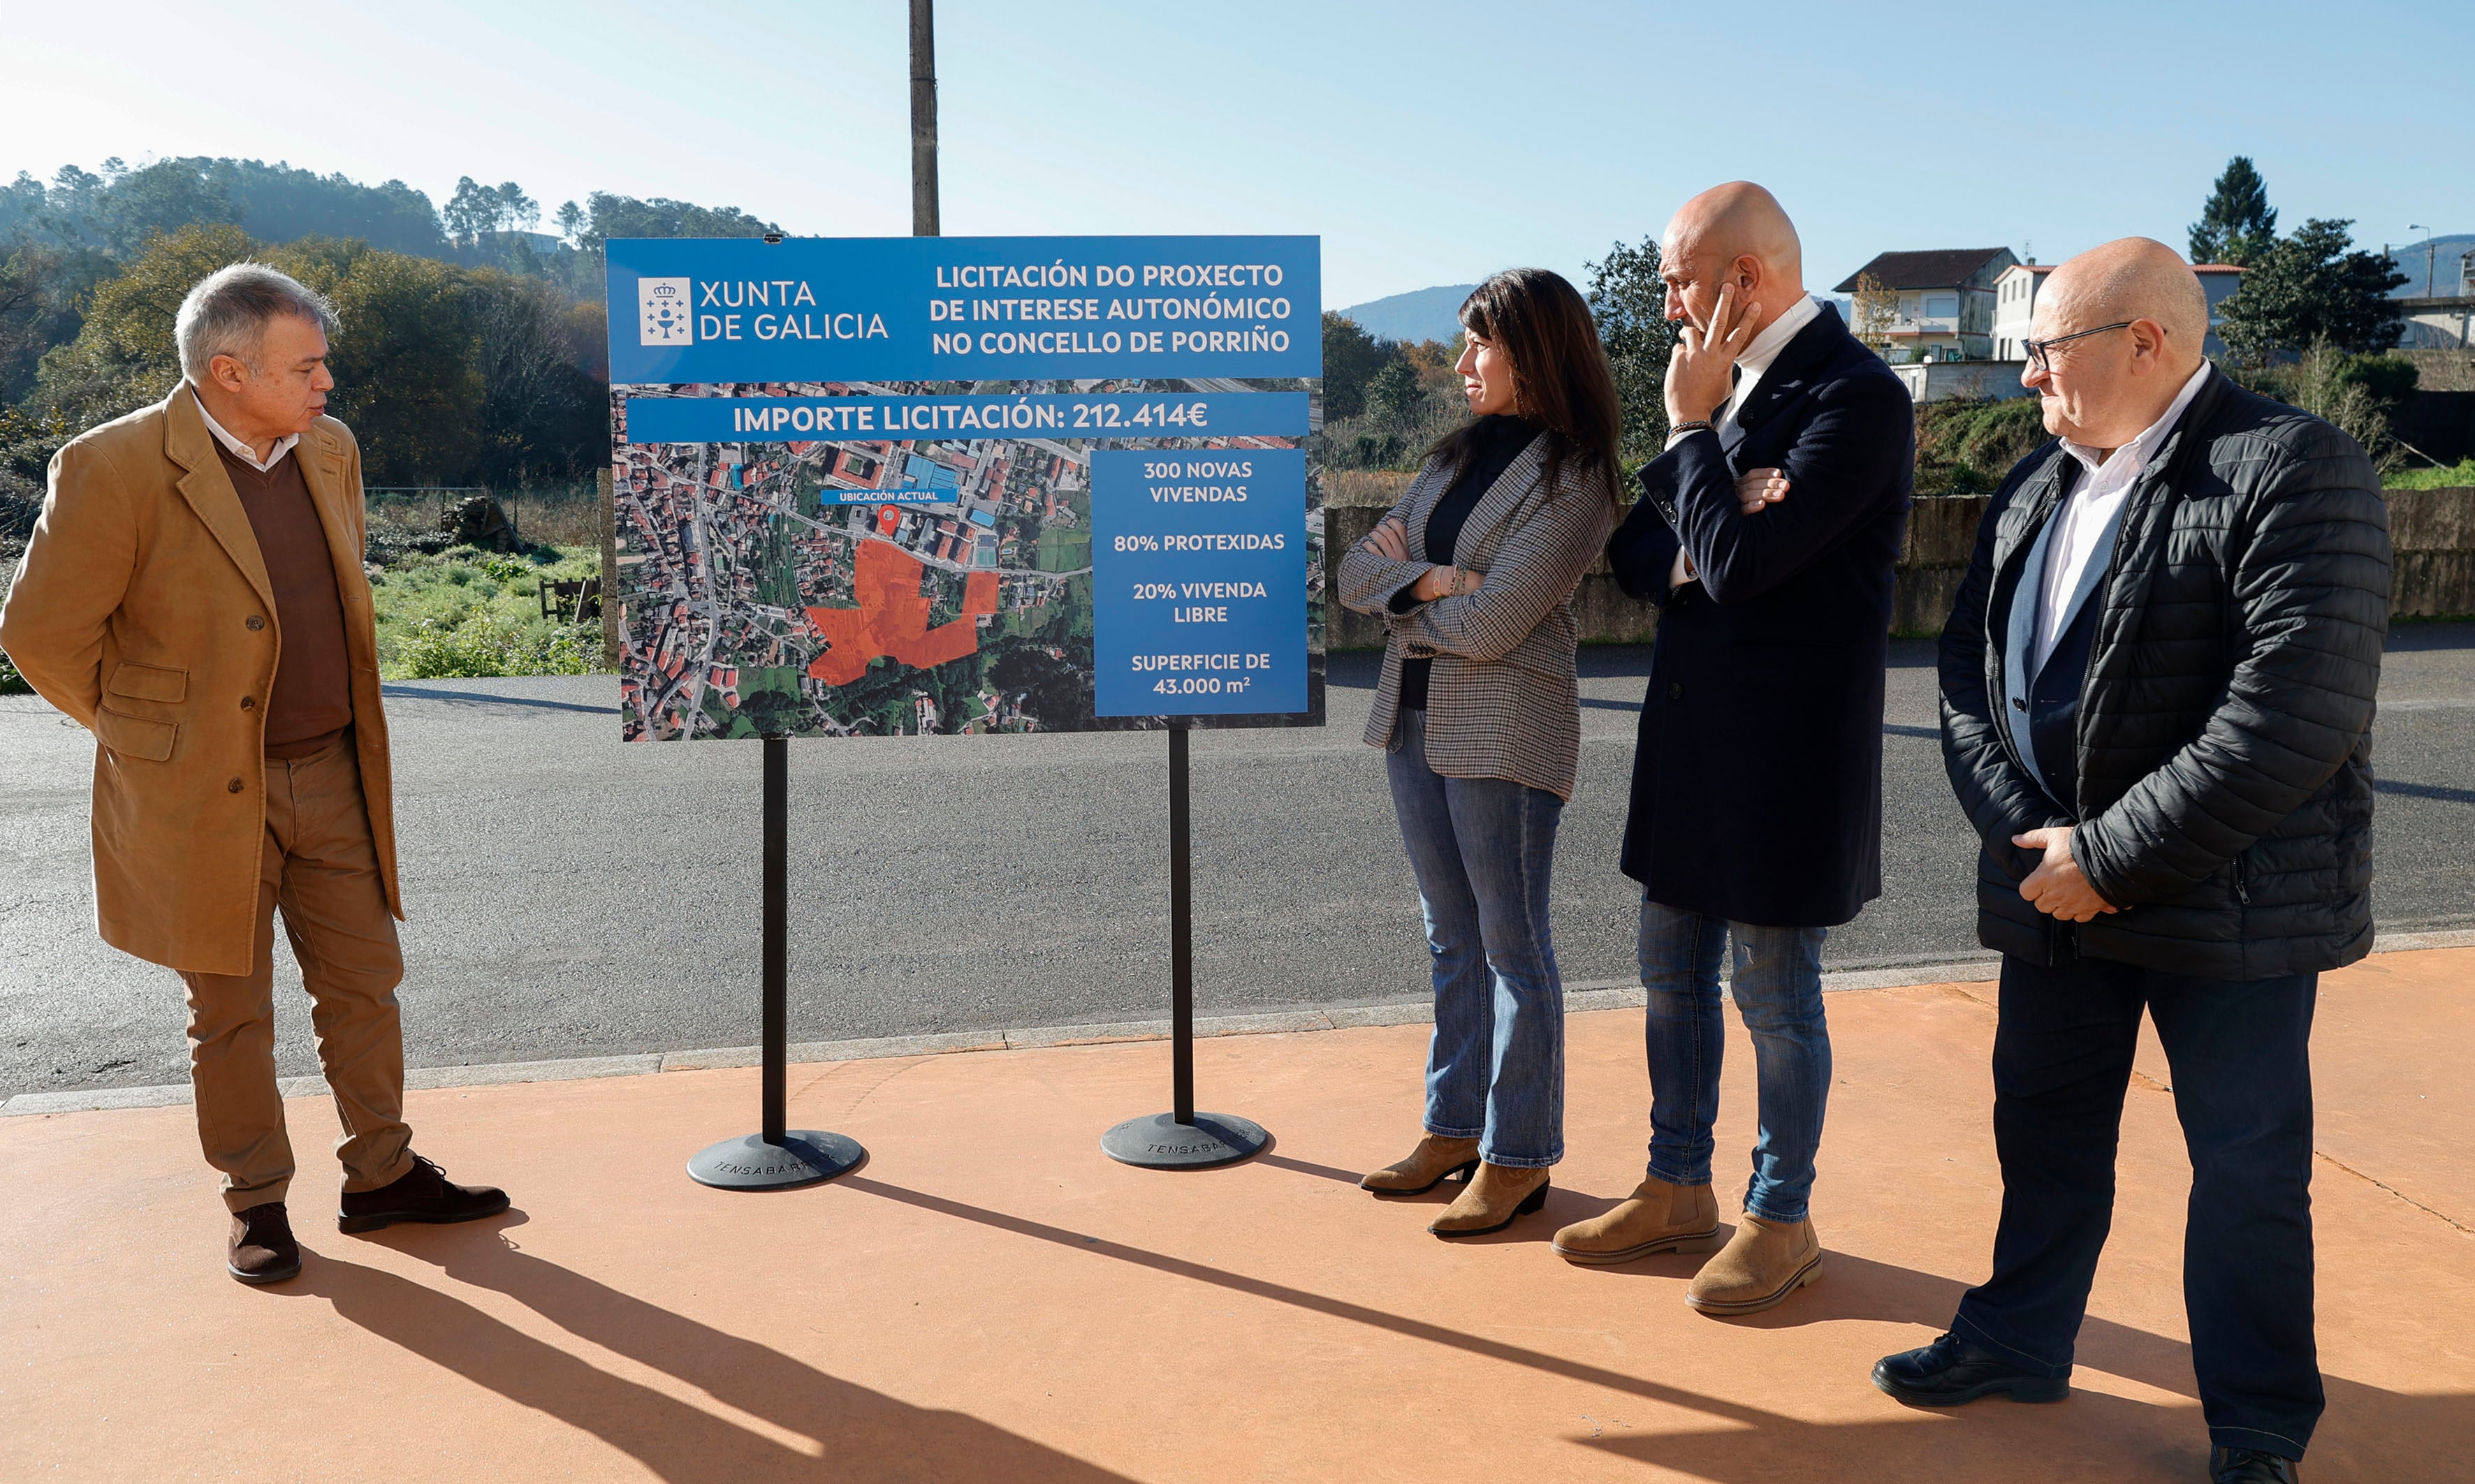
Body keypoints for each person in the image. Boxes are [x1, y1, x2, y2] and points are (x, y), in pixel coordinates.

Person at [1870, 239, 2390, 1484]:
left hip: (2228, 900)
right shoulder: (2034, 482)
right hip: (2053, 886)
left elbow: (2295, 709)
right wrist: (2034, 838)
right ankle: (2018, 1336)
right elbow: (1965, 680)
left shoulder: (2295, 465)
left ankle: (2258, 1421)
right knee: (2044, 1129)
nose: (2028, 373)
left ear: (2145, 342)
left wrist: (2108, 853)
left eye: (2048, 349)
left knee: (2247, 1168)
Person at [0, 264, 506, 1287]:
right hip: (198, 794)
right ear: (229, 372)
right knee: (230, 1012)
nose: (327, 383)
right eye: (306, 366)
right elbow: (40, 634)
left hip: (335, 770)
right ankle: (256, 1202)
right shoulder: (111, 465)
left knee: (365, 984)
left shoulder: (331, 448)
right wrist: (148, 733)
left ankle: (382, 1174)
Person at [1552, 182, 1912, 1315]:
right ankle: (1677, 1186)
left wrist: (1689, 437)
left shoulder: (1856, 398)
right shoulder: (1733, 390)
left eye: (1679, 282)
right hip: (1693, 748)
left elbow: (1748, 568)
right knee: (1669, 974)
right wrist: (1705, 515)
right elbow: (1635, 555)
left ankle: (1780, 1213)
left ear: (1743, 279)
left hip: (1785, 762)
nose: (1668, 305)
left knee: (1773, 991)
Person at [1336, 268, 1623, 1237]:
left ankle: (1519, 1156)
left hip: (1506, 732)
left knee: (1512, 946)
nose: (1463, 361)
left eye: (1480, 343)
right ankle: (1453, 1127)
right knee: (1449, 937)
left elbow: (1500, 622)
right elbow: (1353, 573)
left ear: (1534, 353)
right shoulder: (1452, 457)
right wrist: (1432, 584)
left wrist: (1403, 593)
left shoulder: (1575, 477)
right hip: (1413, 719)